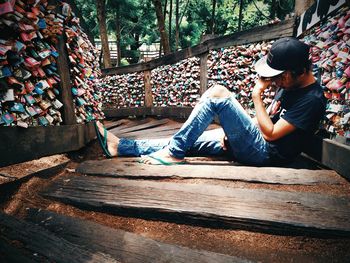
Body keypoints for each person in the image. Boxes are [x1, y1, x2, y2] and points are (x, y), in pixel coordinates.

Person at [95, 37, 327, 166]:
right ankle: (121, 147)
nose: (273, 82)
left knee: (218, 93)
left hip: (265, 153)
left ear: (293, 72)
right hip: (253, 143)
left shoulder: (312, 99)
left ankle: (173, 154)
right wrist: (235, 134)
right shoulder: (290, 84)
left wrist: (256, 95)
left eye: (277, 77)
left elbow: (272, 134)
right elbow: (265, 120)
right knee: (187, 139)